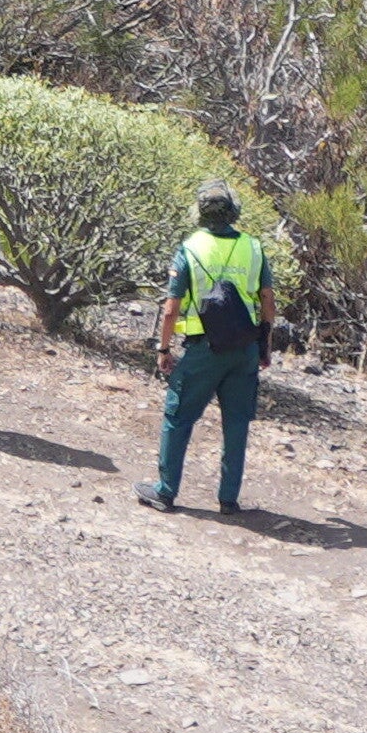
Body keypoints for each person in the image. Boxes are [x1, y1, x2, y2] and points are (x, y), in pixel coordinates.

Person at [137, 188, 273, 515]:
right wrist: (264, 346)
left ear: (200, 213)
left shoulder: (190, 248)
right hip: (245, 348)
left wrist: (164, 348)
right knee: (237, 422)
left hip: (204, 348)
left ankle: (165, 491)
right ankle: (229, 499)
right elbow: (267, 300)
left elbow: (171, 308)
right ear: (234, 213)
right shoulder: (253, 248)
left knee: (178, 415)